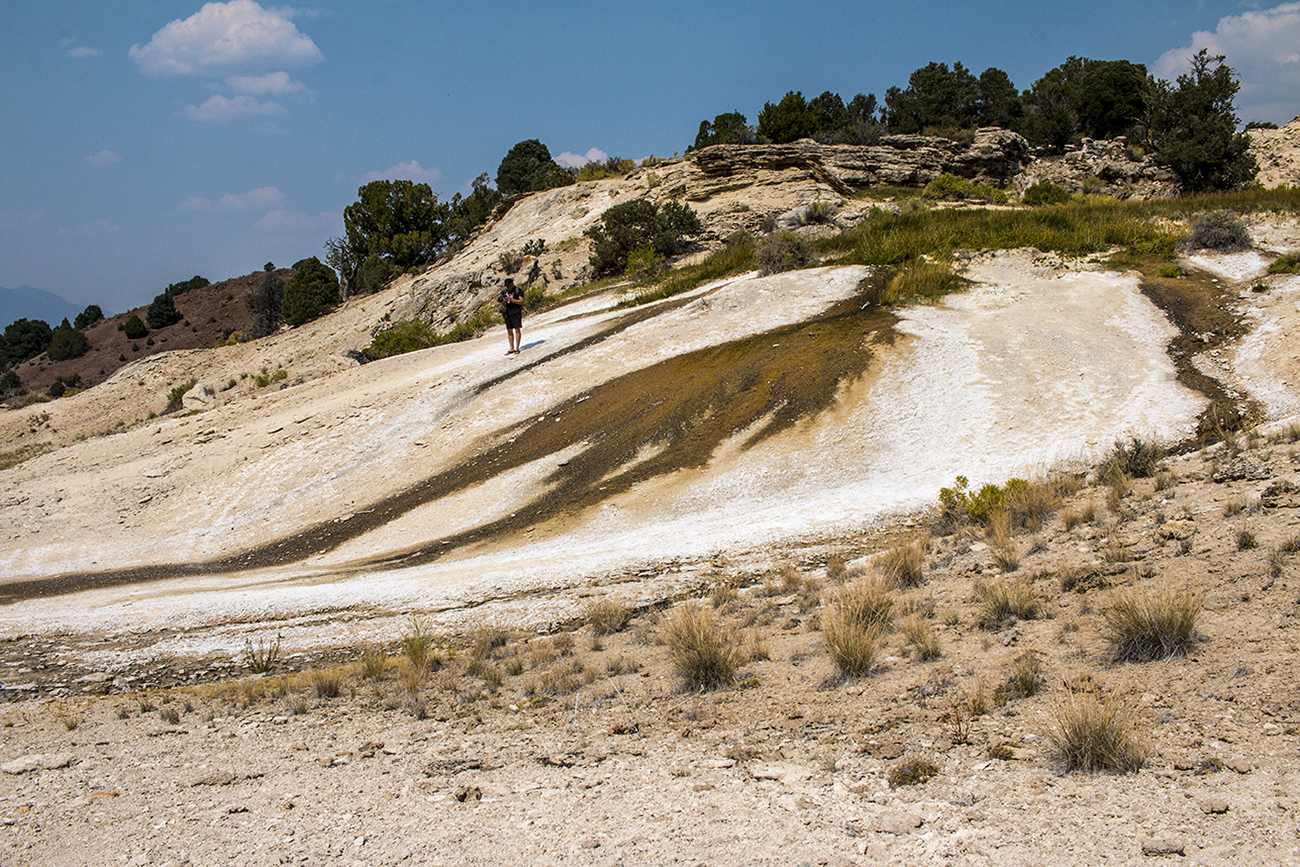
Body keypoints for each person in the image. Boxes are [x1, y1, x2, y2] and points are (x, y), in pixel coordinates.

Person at [500, 278, 524, 355]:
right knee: (509, 331)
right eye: (507, 285)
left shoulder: (518, 290)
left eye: (509, 285)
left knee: (517, 330)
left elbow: (521, 301)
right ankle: (511, 348)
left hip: (516, 312)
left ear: (512, 284)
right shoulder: (504, 292)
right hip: (507, 313)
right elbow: (499, 301)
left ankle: (517, 347)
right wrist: (504, 300)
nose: (508, 287)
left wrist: (512, 300)